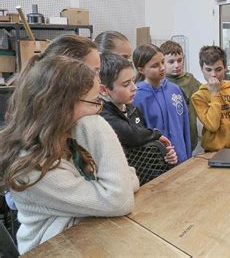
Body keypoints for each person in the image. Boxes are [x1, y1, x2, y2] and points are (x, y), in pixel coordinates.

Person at [0, 56, 138, 254]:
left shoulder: (68, 138)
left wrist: (116, 188)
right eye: (95, 102)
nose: (99, 110)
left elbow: (126, 180)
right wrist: (98, 127)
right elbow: (120, 198)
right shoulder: (31, 166)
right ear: (61, 107)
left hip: (86, 238)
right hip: (50, 250)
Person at [98, 52, 178, 184]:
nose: (134, 88)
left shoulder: (132, 109)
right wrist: (156, 135)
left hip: (146, 183)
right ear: (104, 90)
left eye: (133, 81)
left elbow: (144, 148)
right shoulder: (102, 115)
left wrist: (166, 156)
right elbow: (131, 135)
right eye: (125, 84)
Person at [132, 44, 192, 163]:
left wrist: (187, 157)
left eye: (163, 62)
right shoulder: (136, 97)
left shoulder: (175, 90)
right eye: (155, 66)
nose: (162, 68)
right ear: (141, 69)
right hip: (156, 164)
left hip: (181, 158)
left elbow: (185, 127)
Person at [161, 40, 201, 152]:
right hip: (170, 137)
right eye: (171, 62)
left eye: (179, 60)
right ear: (162, 62)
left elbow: (205, 93)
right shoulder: (160, 83)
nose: (177, 65)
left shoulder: (190, 80)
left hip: (190, 134)